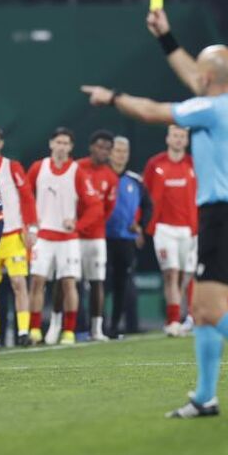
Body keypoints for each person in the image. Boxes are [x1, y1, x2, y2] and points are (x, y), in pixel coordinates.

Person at [81, 7, 228, 417]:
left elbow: (151, 112)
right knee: (200, 310)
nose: (194, 75)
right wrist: (167, 38)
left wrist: (111, 98)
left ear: (209, 78)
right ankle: (205, 397)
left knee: (212, 309)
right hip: (222, 216)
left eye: (199, 71)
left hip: (223, 218)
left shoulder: (214, 109)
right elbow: (191, 75)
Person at [26, 127, 102, 345]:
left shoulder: (77, 171)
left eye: (65, 143)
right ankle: (34, 330)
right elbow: (25, 197)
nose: (61, 147)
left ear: (71, 147)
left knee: (69, 284)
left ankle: (68, 331)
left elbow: (95, 206)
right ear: (51, 144)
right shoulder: (38, 168)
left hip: (68, 240)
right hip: (43, 237)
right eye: (58, 142)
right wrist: (30, 225)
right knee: (37, 282)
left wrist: (78, 225)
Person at [0, 124, 38, 347]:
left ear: (0, 144)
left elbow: (28, 198)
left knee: (19, 283)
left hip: (13, 236)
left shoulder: (12, 167)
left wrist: (32, 229)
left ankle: (24, 331)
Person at [142, 126, 198, 337]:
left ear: (186, 140)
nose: (178, 140)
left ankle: (182, 316)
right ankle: (172, 320)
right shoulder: (155, 164)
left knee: (184, 276)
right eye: (175, 135)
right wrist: (143, 222)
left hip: (189, 229)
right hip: (164, 228)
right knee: (170, 273)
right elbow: (145, 193)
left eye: (182, 136)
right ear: (167, 138)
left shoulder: (194, 164)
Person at [103, 137, 151, 338]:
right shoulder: (100, 176)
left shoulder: (135, 181)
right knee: (100, 283)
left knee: (123, 285)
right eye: (117, 150)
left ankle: (114, 327)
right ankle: (96, 326)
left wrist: (140, 226)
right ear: (110, 153)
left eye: (125, 151)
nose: (121, 154)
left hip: (125, 239)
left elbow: (148, 206)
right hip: (101, 239)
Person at [76, 129, 118, 341]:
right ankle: (70, 328)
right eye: (100, 147)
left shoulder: (111, 177)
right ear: (92, 146)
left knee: (97, 282)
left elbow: (107, 208)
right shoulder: (77, 168)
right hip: (72, 235)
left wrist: (94, 224)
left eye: (107, 149)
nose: (103, 151)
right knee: (70, 282)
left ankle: (96, 329)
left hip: (96, 237)